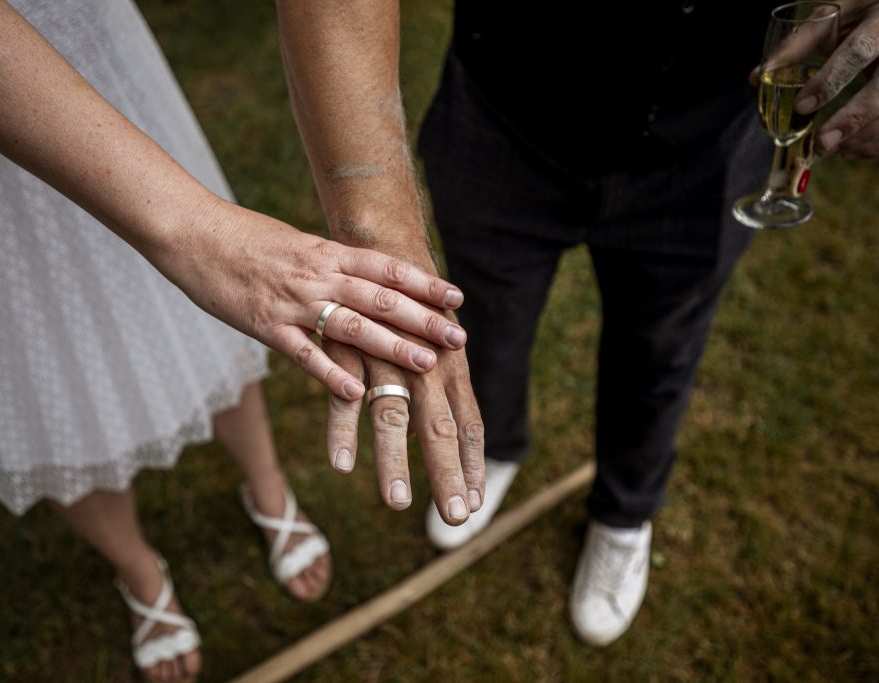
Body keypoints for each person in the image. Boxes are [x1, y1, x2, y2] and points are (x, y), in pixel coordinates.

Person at [0, 1, 476, 681]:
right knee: (20, 362)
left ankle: (268, 489)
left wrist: (379, 231)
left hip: (78, 50)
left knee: (207, 318)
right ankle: (139, 569)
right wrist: (198, 233)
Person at [275, 0, 879, 649]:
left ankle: (624, 512)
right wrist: (375, 228)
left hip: (705, 134)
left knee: (661, 350)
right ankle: (496, 445)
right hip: (502, 112)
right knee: (482, 323)